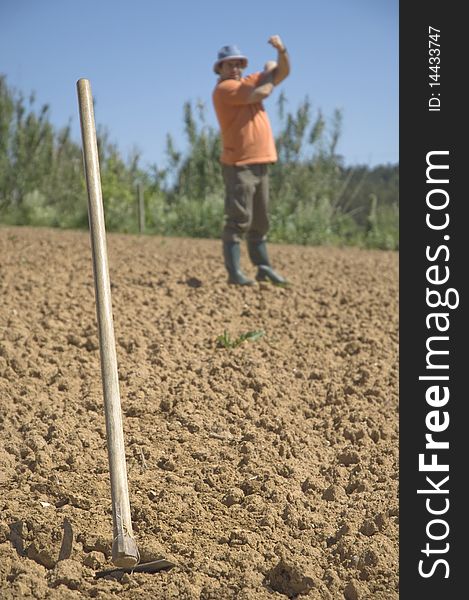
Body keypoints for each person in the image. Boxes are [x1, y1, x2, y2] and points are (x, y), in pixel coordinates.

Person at [212, 35, 291, 285]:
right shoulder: (225, 90)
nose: (235, 68)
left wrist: (281, 51)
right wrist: (269, 70)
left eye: (238, 64)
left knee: (260, 219)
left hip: (261, 160)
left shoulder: (246, 81)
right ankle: (235, 273)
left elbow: (283, 73)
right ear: (220, 68)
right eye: (229, 64)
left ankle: (263, 267)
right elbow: (265, 90)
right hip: (239, 164)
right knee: (239, 218)